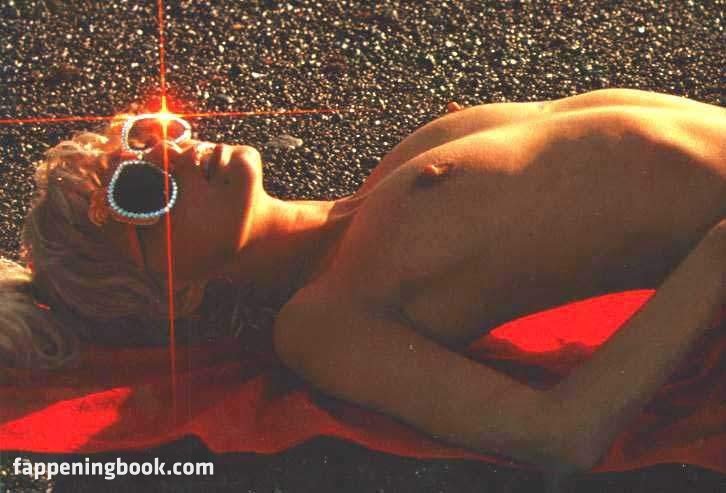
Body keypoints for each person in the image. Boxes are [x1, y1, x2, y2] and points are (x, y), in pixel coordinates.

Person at [0, 88, 724, 475]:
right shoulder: (322, 319)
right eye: (139, 189)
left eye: (144, 136)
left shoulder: (387, 181)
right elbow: (560, 434)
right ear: (175, 293)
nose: (172, 151)